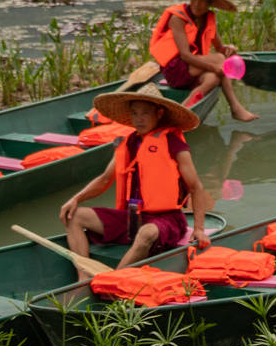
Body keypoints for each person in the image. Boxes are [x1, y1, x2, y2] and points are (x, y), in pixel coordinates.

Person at [60, 85, 210, 269]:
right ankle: (84, 274)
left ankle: (113, 279)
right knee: (73, 216)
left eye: (145, 113)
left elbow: (196, 187)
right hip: (132, 218)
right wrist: (75, 199)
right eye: (135, 113)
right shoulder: (129, 143)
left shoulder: (173, 144)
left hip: (167, 219)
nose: (139, 119)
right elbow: (105, 179)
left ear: (159, 113)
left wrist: (199, 229)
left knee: (146, 233)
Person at [147, 0, 259, 122]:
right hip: (175, 70)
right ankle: (235, 107)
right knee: (219, 62)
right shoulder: (178, 18)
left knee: (213, 78)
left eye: (202, 1)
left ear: (209, 4)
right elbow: (185, 56)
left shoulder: (208, 19)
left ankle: (184, 110)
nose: (197, 5)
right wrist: (213, 66)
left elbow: (220, 48)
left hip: (192, 69)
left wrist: (230, 48)